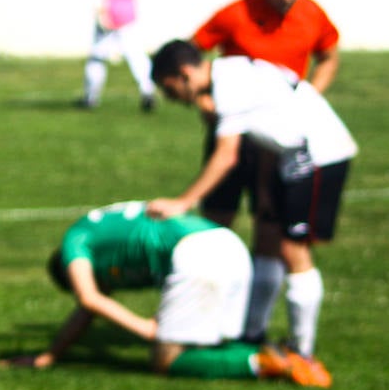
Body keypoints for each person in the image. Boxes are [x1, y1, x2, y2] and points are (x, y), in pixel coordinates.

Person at [147, 39, 357, 363]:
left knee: (293, 250)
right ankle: (253, 334)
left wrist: (183, 202)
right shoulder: (232, 72)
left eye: (169, 89)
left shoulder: (229, 87)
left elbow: (226, 157)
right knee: (272, 241)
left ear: (184, 74)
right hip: (293, 159)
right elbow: (271, 126)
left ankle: (302, 351)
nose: (173, 98)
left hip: (318, 156)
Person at [1, 201, 330, 386]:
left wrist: (147, 329)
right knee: (208, 344)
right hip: (226, 243)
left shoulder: (76, 240)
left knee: (167, 360)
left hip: (196, 255)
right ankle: (281, 355)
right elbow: (90, 308)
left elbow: (88, 298)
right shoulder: (106, 236)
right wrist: (51, 355)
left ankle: (266, 363)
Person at [188, 0, 341, 346]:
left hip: (278, 139)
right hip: (234, 130)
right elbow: (190, 54)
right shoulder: (237, 12)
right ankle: (206, 321)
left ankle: (252, 329)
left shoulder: (312, 14)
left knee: (270, 231)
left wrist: (309, 96)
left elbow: (329, 56)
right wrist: (205, 103)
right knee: (216, 223)